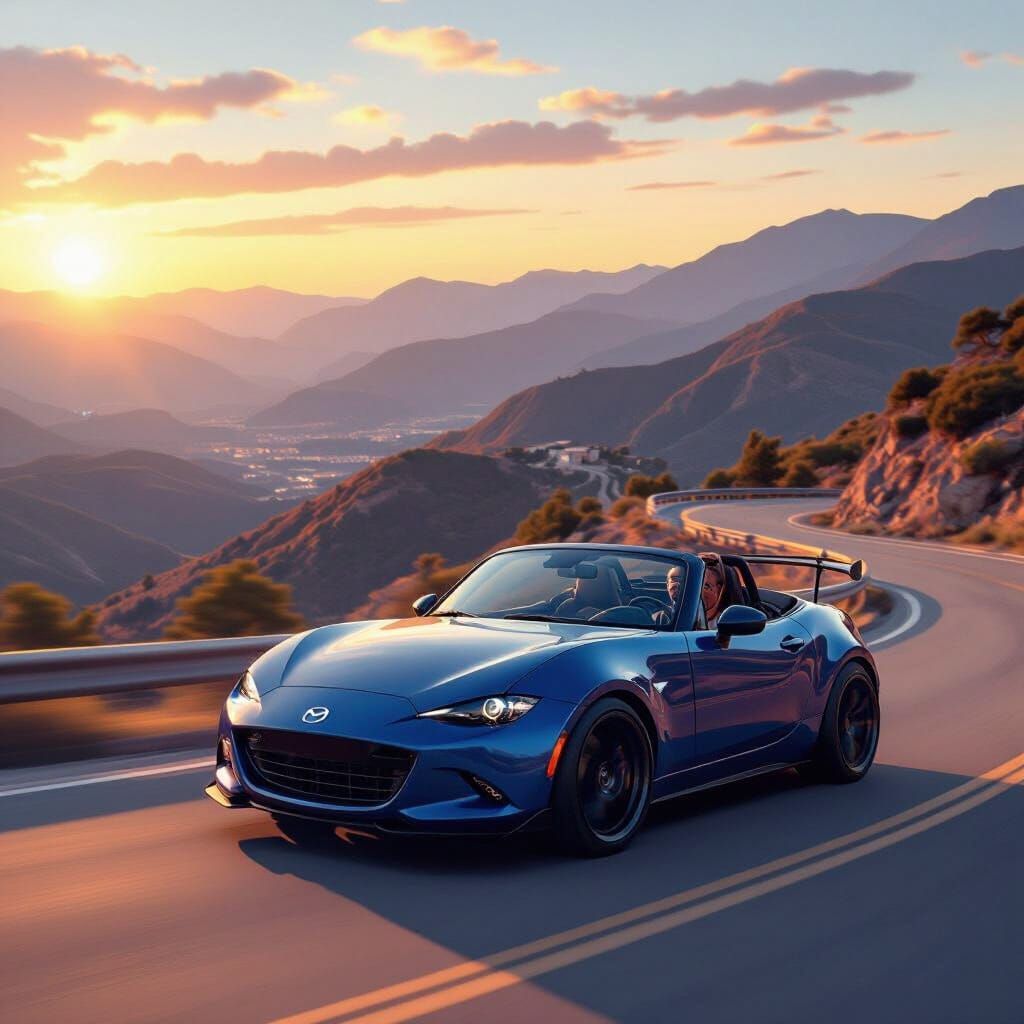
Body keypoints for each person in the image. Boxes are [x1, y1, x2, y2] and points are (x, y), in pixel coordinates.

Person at [698, 552, 727, 628]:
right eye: (696, 586)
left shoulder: (726, 622)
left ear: (719, 589)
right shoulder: (679, 615)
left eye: (706, 587)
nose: (699, 592)